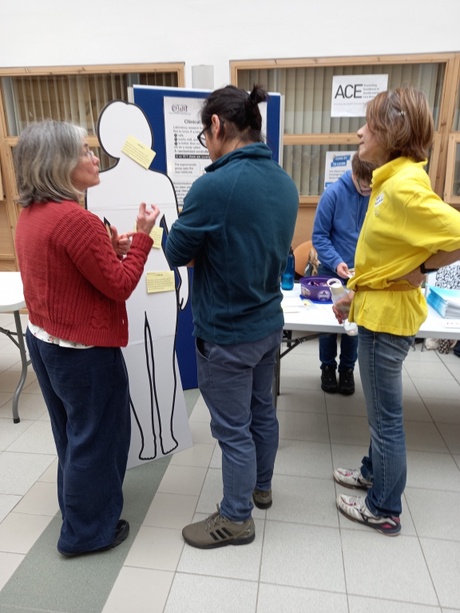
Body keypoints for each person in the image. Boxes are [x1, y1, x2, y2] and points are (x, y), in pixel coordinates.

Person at [14, 120, 160, 556]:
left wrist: (108, 248)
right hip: (84, 353)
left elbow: (71, 272)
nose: (95, 158)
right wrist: (141, 238)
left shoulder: (32, 215)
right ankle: (86, 534)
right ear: (57, 161)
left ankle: (78, 511)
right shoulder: (75, 220)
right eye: (84, 151)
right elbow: (118, 286)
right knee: (97, 440)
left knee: (73, 436)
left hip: (46, 342)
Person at [165, 84, 298, 549]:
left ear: (216, 126)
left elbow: (175, 251)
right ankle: (261, 488)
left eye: (206, 135)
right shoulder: (284, 182)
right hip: (266, 324)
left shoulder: (213, 186)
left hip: (227, 334)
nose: (208, 143)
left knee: (231, 429)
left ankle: (237, 516)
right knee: (262, 413)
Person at [332, 87, 460, 536]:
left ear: (394, 131)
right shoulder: (393, 181)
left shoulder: (404, 187)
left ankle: (384, 506)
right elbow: (382, 257)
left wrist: (424, 266)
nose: (360, 131)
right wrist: (353, 292)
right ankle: (373, 472)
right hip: (376, 309)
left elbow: (457, 233)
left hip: (386, 321)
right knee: (380, 413)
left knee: (385, 417)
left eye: (369, 124)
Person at [312, 152, 375, 395]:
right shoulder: (333, 195)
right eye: (365, 187)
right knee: (331, 324)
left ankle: (347, 370)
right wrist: (337, 261)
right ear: (355, 174)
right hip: (333, 269)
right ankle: (328, 367)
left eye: (372, 188)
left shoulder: (375, 193)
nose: (368, 192)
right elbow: (319, 236)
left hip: (363, 273)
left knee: (355, 324)